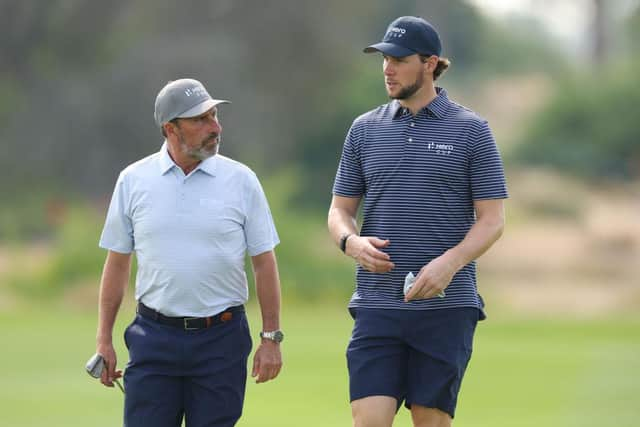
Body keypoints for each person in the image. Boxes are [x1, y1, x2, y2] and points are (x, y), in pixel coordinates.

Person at [328, 16, 508, 427]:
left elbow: (492, 220)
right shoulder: (364, 130)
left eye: (399, 59)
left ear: (430, 64)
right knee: (369, 420)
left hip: (446, 306)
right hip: (377, 303)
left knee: (431, 421)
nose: (387, 69)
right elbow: (340, 211)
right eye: (383, 60)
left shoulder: (472, 130)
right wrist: (349, 242)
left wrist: (450, 263)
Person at [94, 78, 284, 427]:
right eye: (201, 120)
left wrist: (270, 338)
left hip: (221, 340)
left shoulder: (241, 181)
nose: (215, 127)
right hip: (153, 339)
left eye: (214, 116)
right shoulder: (133, 180)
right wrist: (104, 340)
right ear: (170, 128)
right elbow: (117, 263)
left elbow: (264, 263)